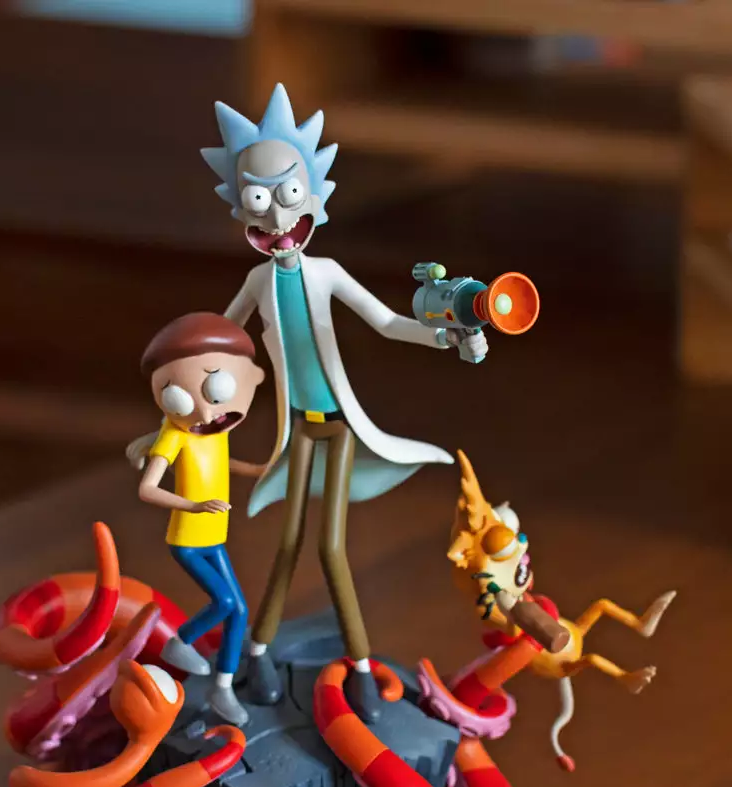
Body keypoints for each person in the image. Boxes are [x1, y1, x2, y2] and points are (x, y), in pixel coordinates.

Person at [201, 83, 488, 720]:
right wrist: (190, 402)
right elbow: (222, 342)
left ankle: (359, 667)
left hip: (339, 430)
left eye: (288, 196)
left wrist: (448, 336)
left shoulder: (325, 273)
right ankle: (258, 655)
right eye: (259, 200)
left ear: (313, 198)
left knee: (330, 549)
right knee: (287, 544)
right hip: (297, 432)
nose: (278, 219)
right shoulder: (257, 281)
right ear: (241, 208)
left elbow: (387, 322)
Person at [133, 312, 266, 726]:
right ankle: (181, 642)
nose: (206, 412)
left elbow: (224, 465)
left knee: (239, 611)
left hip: (214, 537)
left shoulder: (217, 431)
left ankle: (222, 688)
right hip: (188, 541)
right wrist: (193, 506)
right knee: (224, 602)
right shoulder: (173, 436)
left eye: (216, 389)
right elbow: (147, 489)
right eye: (180, 398)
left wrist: (258, 470)